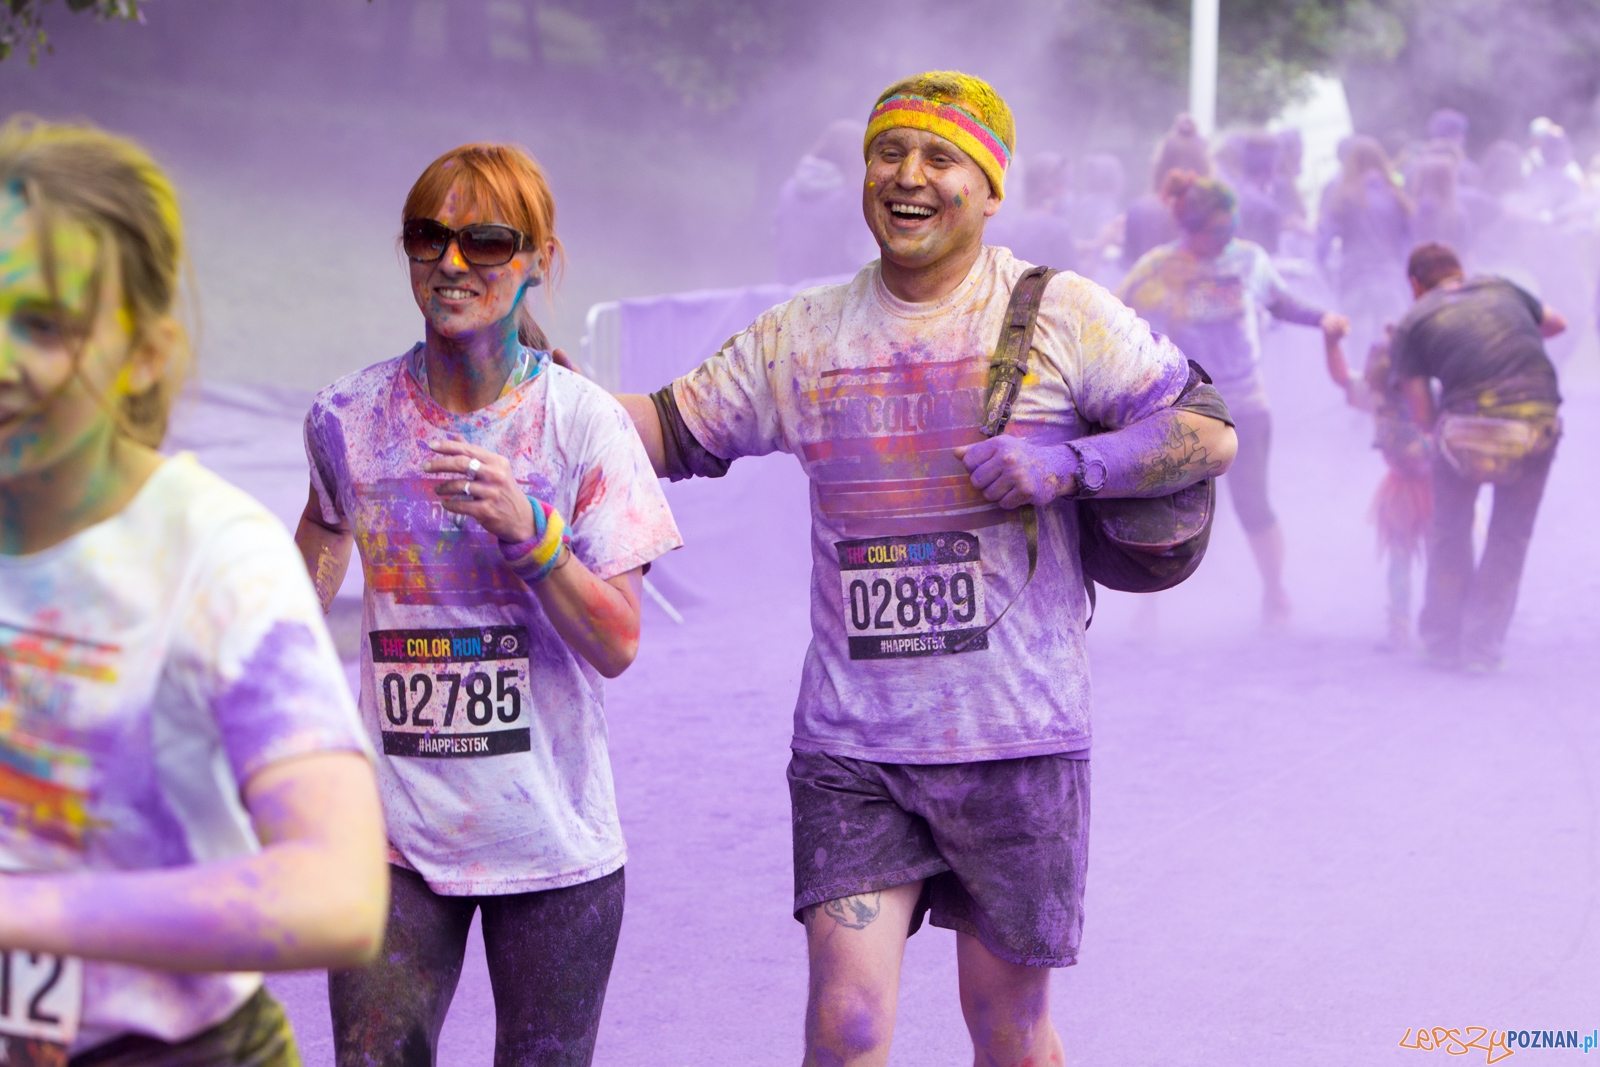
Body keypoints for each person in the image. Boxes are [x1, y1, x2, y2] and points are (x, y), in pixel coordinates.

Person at [614, 70, 1237, 1066]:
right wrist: (542, 400)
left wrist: (1065, 464)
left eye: (941, 156)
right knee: (847, 1024)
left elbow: (1206, 432)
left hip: (1016, 740)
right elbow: (666, 428)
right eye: (887, 152)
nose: (907, 175)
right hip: (855, 746)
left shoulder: (1061, 313)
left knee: (1009, 1032)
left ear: (990, 189)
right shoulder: (803, 333)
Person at [0, 118, 386, 1063]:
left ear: (144, 349)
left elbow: (338, 890)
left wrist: (29, 912)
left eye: (45, 325)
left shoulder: (217, 557)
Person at [295, 143, 681, 1066]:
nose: (453, 263)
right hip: (391, 841)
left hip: (554, 846)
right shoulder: (346, 417)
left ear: (540, 258)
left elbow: (618, 642)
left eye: (487, 240)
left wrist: (533, 534)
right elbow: (317, 545)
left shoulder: (582, 423)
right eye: (431, 237)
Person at [1119, 172, 1349, 627]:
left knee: (1253, 503)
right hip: (1182, 405)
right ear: (1190, 226)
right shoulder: (1159, 266)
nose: (1226, 239)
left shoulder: (1248, 260)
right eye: (1217, 231)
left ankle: (1274, 592)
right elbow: (1116, 314)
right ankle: (1150, 601)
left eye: (1231, 228)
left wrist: (1324, 318)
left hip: (1245, 403)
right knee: (1167, 505)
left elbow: (1281, 303)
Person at [1389, 242, 1565, 672]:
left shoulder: (1413, 321)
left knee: (1450, 529)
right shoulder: (1501, 288)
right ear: (1458, 271)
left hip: (1466, 435)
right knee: (1509, 535)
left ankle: (1443, 641)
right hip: (1537, 424)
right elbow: (1557, 323)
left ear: (1415, 284)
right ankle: (1482, 650)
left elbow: (1421, 411)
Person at [1359, 326, 1433, 650]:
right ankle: (1401, 623)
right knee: (1403, 556)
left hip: (1432, 485)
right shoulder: (1376, 397)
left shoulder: (1430, 391)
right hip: (1404, 487)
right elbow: (1341, 379)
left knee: (1437, 553)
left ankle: (1440, 620)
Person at [1316, 135, 1412, 367]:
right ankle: (1392, 398)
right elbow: (1409, 244)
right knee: (1394, 344)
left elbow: (1323, 244)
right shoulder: (1397, 196)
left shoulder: (1342, 197)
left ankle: (1364, 398)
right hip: (1391, 280)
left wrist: (1327, 273)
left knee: (1359, 347)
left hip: (1355, 281)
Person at [776, 119, 880, 283]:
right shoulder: (853, 198)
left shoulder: (789, 188)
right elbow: (858, 257)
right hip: (832, 298)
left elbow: (777, 238)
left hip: (787, 293)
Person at [1122, 114, 1212, 270]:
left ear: (1160, 166)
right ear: (1205, 168)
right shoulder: (1216, 212)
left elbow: (1128, 268)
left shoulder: (1139, 210)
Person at [986, 151, 1077, 272]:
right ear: (1047, 185)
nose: (1066, 190)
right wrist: (1100, 247)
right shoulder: (1057, 228)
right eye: (1062, 183)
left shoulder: (1017, 223)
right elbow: (1078, 283)